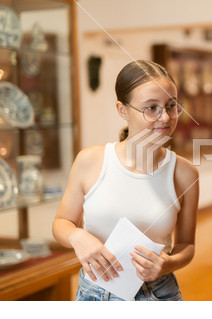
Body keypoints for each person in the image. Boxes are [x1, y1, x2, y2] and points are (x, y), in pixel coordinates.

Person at [53, 60, 199, 301]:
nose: (165, 117)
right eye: (151, 108)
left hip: (158, 293)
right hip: (94, 294)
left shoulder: (185, 174)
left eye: (171, 105)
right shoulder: (91, 161)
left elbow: (187, 246)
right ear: (122, 110)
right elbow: (61, 222)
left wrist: (166, 264)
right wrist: (78, 237)